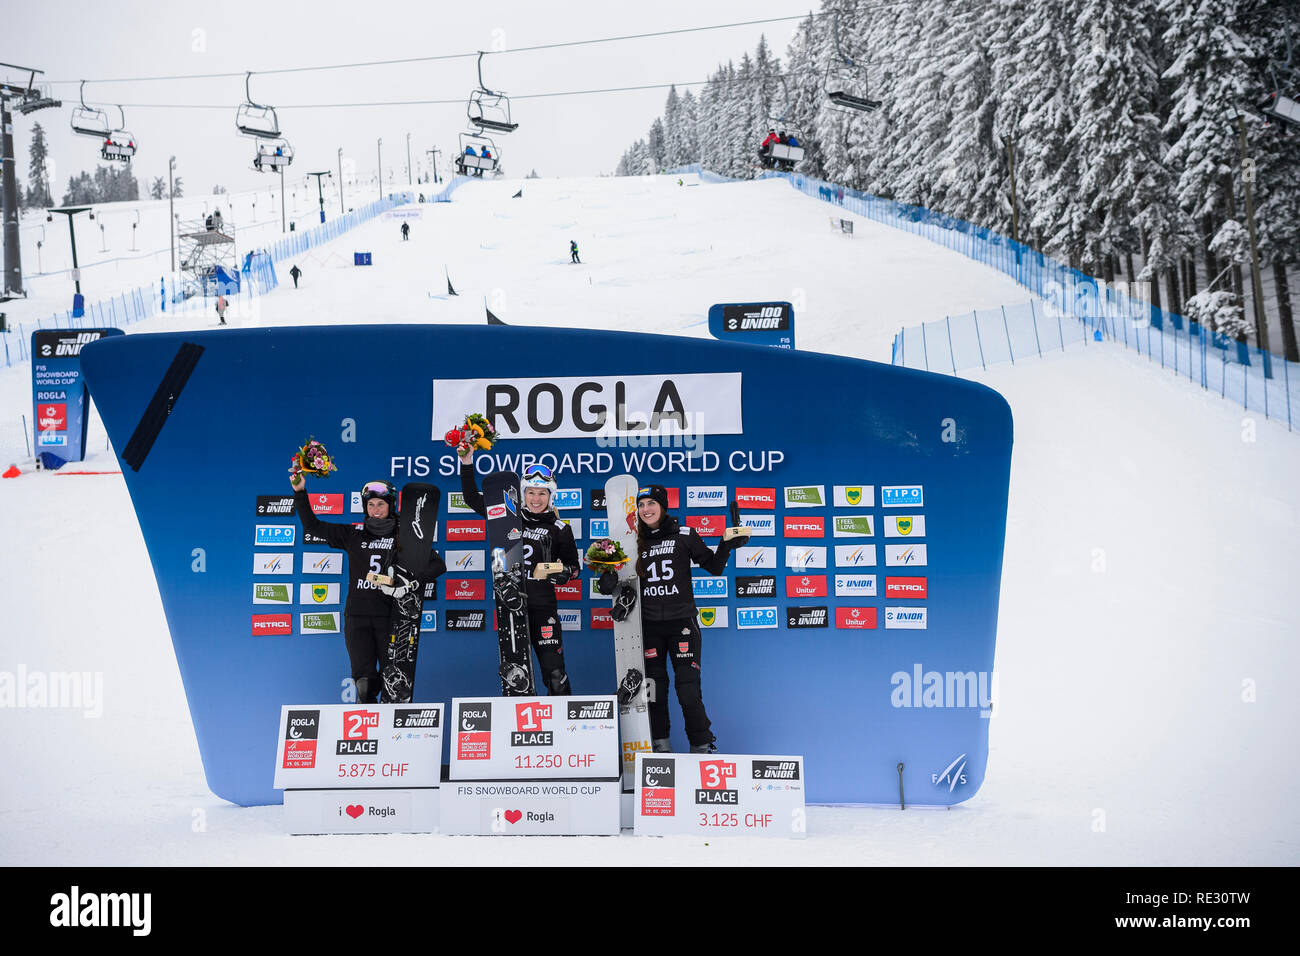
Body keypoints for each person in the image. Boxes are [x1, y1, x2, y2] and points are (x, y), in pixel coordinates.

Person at [290, 472, 446, 703]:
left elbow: (438, 565)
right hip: (357, 617)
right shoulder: (353, 534)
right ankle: (370, 731)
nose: (375, 509)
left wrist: (410, 580)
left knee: (393, 683)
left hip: (391, 617)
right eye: (370, 504)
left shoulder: (405, 535)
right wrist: (300, 492)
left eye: (381, 504)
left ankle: (394, 733)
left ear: (391, 505)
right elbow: (313, 527)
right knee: (364, 684)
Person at [627, 483, 747, 754]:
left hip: (682, 624)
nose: (646, 510)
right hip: (649, 627)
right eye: (641, 505)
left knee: (688, 691)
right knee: (654, 693)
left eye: (651, 504)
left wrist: (727, 545)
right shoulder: (633, 540)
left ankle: (701, 745)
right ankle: (660, 747)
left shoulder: (684, 534)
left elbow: (714, 568)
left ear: (663, 507)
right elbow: (623, 580)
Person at [459, 450, 580, 695]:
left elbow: (574, 569)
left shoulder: (560, 528)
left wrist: (563, 572)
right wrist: (466, 461)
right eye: (531, 493)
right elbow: (471, 498)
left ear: (551, 496)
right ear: (523, 494)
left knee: (556, 676)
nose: (536, 499)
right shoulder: (506, 514)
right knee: (518, 680)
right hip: (511, 606)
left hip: (543, 607)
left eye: (542, 493)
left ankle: (563, 730)